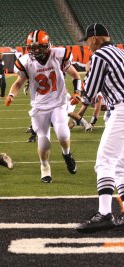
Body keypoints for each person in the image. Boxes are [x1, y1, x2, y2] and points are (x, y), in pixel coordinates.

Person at [5, 29, 79, 183]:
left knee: (63, 134)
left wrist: (77, 92)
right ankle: (44, 166)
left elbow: (76, 75)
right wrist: (11, 94)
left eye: (39, 47)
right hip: (39, 106)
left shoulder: (57, 55)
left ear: (47, 45)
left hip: (58, 102)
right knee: (44, 140)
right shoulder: (26, 61)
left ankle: (67, 153)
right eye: (32, 47)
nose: (35, 50)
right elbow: (19, 82)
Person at [75, 24, 124, 232]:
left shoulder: (100, 56)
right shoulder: (119, 52)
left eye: (87, 41)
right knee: (121, 165)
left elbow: (91, 91)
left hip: (121, 110)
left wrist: (78, 99)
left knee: (104, 161)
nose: (87, 45)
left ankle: (105, 214)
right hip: (120, 108)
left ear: (94, 38)